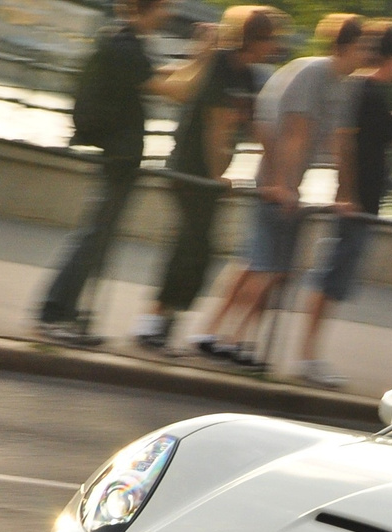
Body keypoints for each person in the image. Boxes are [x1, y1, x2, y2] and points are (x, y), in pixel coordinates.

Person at [189, 12, 368, 381]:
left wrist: (342, 193)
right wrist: (283, 186)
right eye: (364, 46)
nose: (368, 53)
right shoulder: (316, 74)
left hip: (286, 179)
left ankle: (214, 332)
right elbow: (292, 134)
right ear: (346, 46)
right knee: (270, 268)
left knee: (257, 265)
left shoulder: (341, 82)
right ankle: (229, 338)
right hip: (276, 178)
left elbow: (338, 143)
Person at [289, 21, 392, 387]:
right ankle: (307, 357)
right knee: (331, 280)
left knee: (332, 279)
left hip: (361, 198)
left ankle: (308, 355)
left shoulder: (368, 89)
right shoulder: (367, 90)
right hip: (358, 201)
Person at [36, 0, 210, 346]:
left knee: (95, 239)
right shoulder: (126, 49)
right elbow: (176, 91)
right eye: (165, 6)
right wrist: (204, 57)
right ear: (149, 8)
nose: (170, 13)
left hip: (118, 157)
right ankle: (54, 315)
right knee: (92, 238)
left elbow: (161, 78)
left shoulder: (125, 42)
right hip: (118, 159)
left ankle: (68, 316)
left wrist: (196, 58)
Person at [130, 6, 285, 352]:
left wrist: (276, 165)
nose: (275, 46)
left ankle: (164, 321)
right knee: (189, 246)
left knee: (199, 250)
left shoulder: (246, 75)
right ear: (255, 39)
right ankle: (152, 321)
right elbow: (217, 127)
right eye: (272, 39)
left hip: (210, 175)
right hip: (191, 170)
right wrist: (218, 177)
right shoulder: (221, 65)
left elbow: (252, 122)